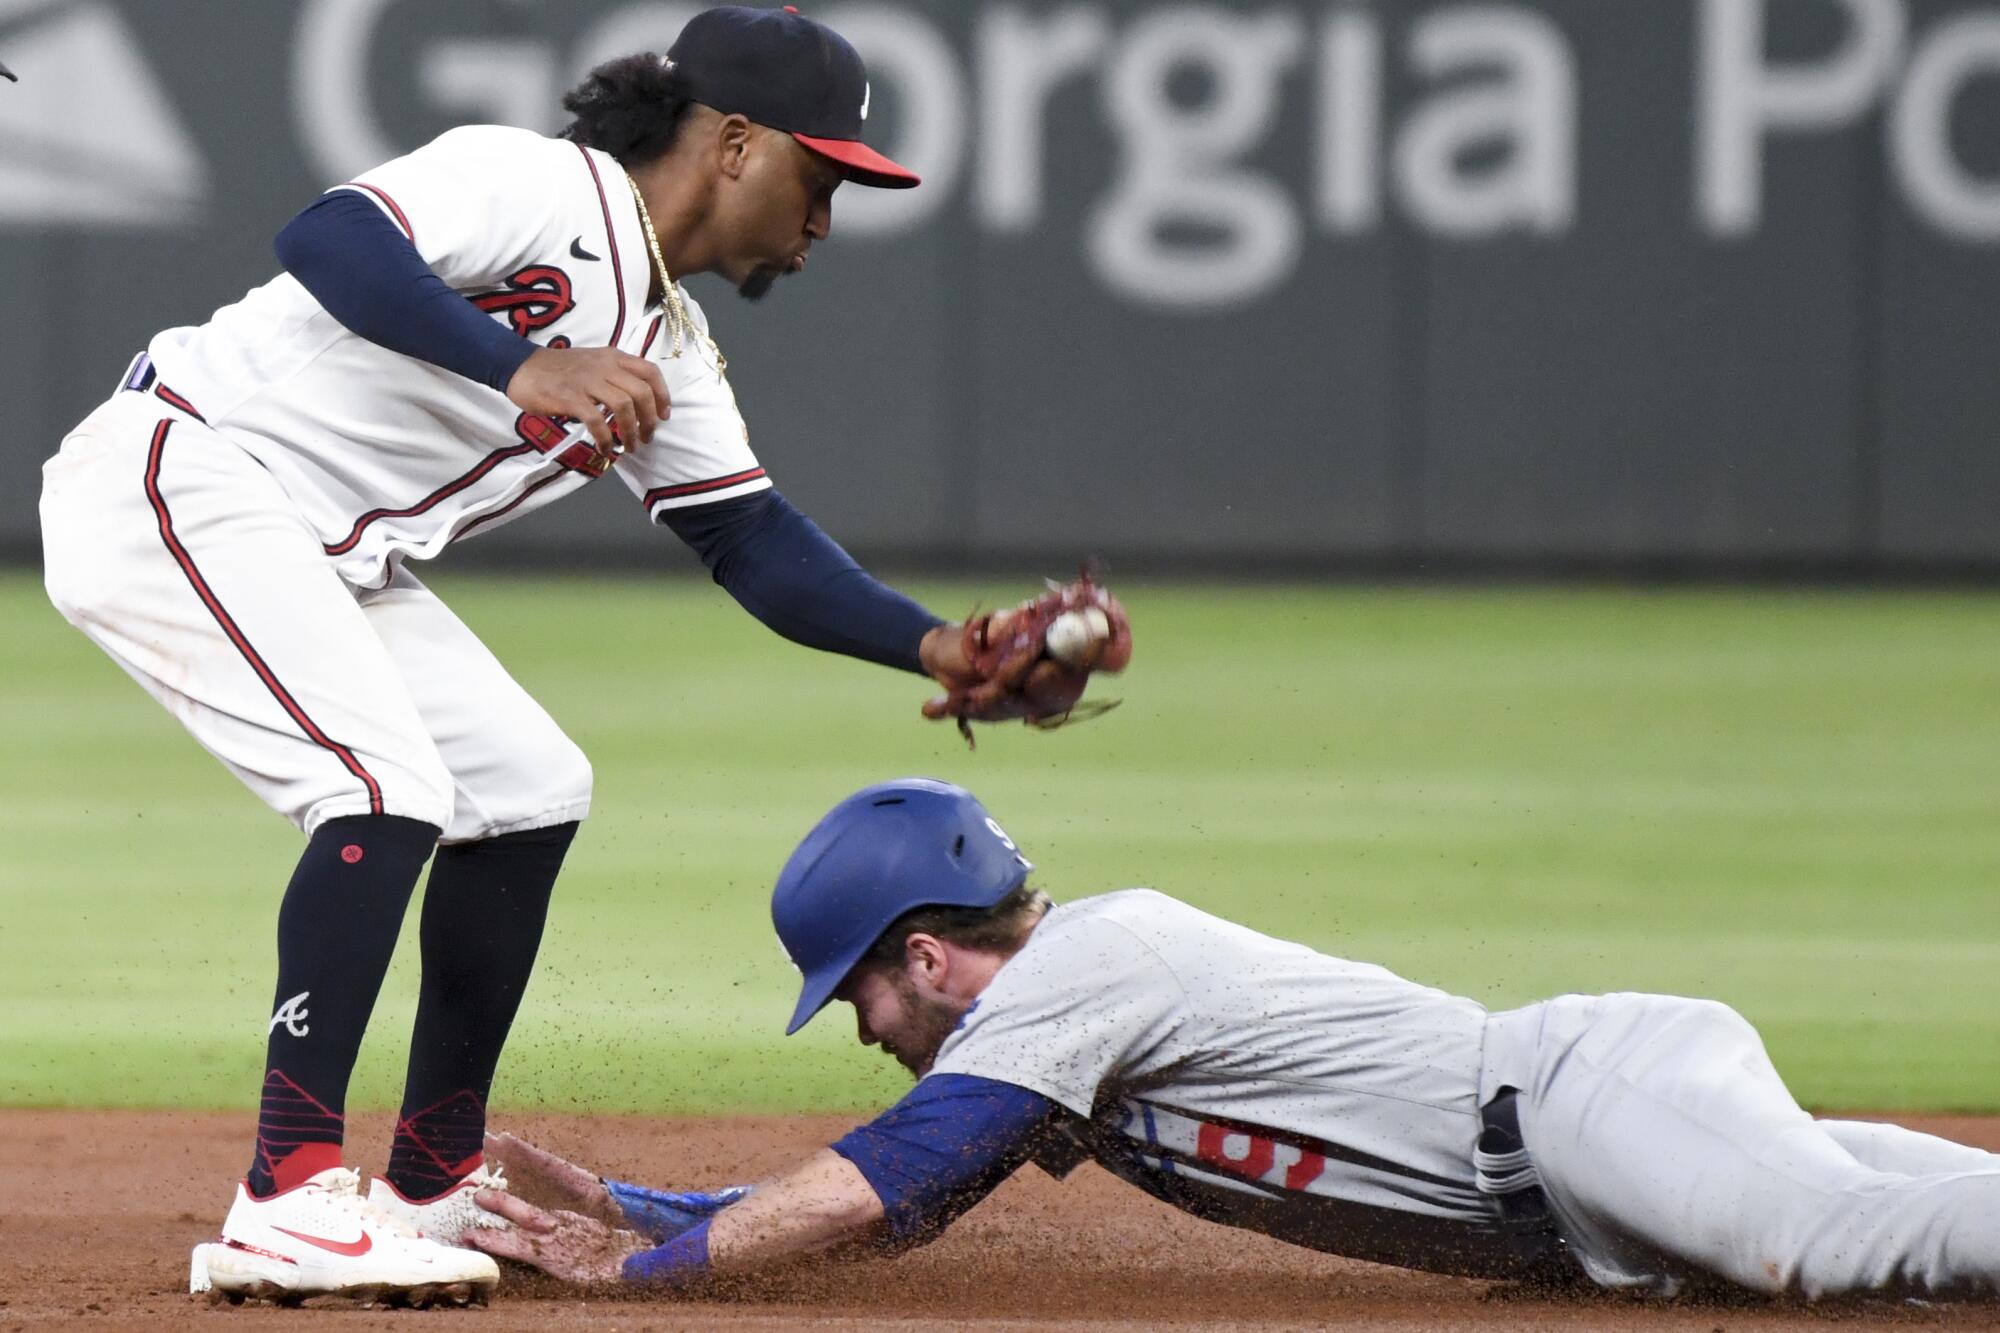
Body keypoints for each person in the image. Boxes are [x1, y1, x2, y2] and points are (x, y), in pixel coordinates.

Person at [37, 6, 1039, 1308]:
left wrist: (940, 645)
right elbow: (330, 239)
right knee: (383, 784)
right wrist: (520, 362)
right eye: (822, 174)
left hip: (314, 543)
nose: (826, 220)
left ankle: (432, 1179)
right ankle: (284, 1195)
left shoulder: (669, 339)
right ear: (735, 144)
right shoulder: (536, 183)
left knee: (524, 785)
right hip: (179, 468)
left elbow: (752, 544)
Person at [467, 779, 2000, 1304]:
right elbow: (923, 1196)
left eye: (858, 991)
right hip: (1594, 1167)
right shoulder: (1056, 1012)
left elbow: (896, 1171)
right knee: (1909, 1237)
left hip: (1587, 1103)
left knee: (1840, 1244)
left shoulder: (1083, 963)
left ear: (928, 955)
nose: (862, 1030)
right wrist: (644, 1203)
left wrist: (647, 1267)